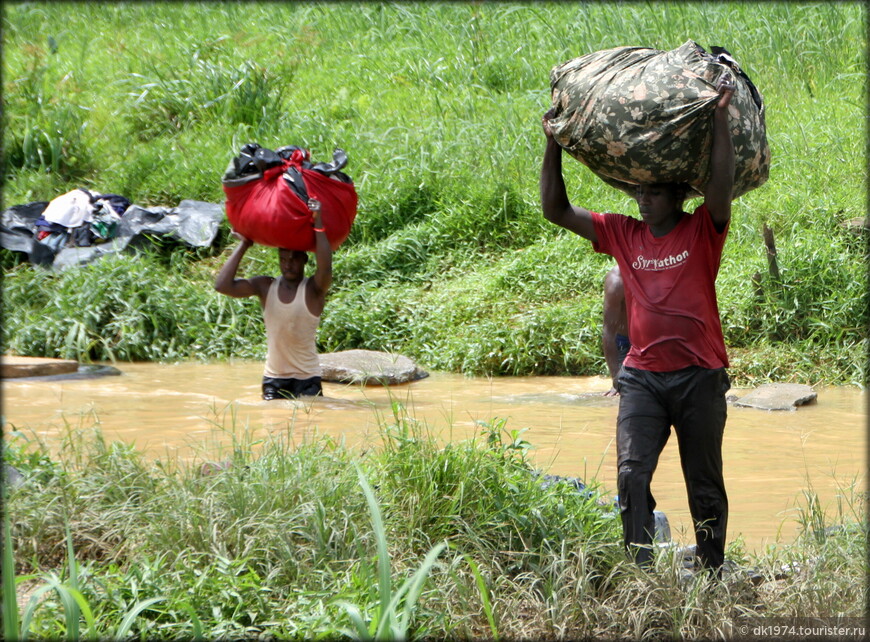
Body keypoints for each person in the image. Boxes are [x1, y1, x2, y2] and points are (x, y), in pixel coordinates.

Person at [540, 75, 737, 572]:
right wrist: (552, 144)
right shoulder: (623, 234)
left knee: (704, 483)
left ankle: (713, 569)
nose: (641, 200)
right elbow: (555, 209)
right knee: (631, 475)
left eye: (651, 193)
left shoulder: (701, 229)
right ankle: (640, 570)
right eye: (638, 192)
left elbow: (720, 186)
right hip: (643, 378)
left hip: (699, 376)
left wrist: (719, 118)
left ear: (676, 197)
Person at [215, 198, 332, 400]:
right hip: (274, 379)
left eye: (294, 260)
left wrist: (318, 222)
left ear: (304, 260)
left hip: (307, 378)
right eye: (283, 260)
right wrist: (244, 244)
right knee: (273, 425)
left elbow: (326, 268)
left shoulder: (313, 289)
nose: (288, 265)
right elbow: (222, 285)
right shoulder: (265, 286)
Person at [602, 265, 630, 397]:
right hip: (626, 343)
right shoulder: (617, 281)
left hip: (655, 340)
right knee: (624, 393)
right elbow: (608, 331)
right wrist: (616, 379)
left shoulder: (659, 270)